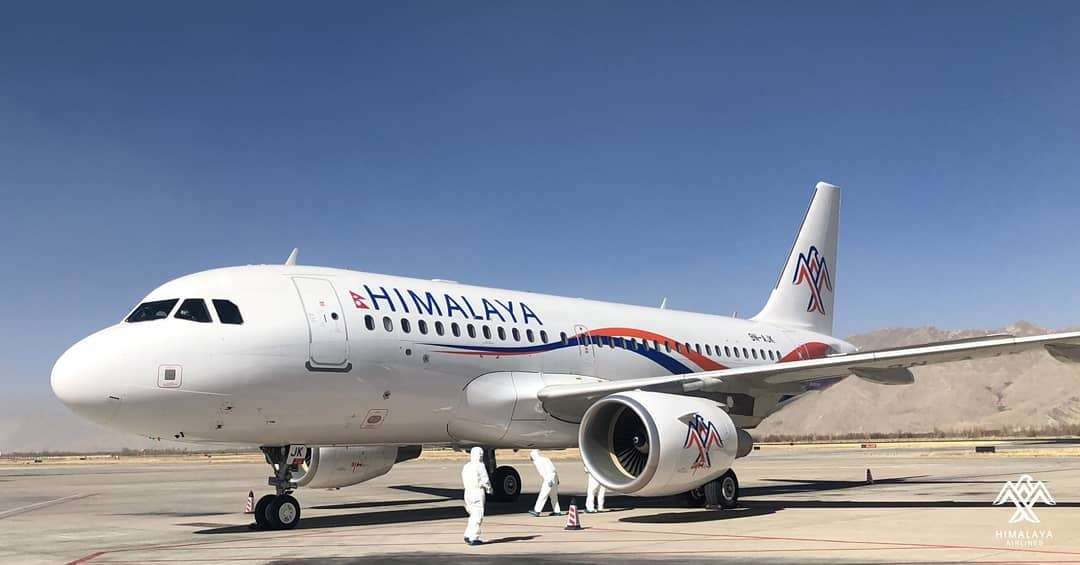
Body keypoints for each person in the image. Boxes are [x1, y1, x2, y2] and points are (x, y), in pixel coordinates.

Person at [461, 446, 492, 546]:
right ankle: (474, 537)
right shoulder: (480, 465)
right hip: (477, 492)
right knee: (478, 515)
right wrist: (489, 489)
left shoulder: (467, 466)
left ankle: (468, 534)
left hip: (467, 492)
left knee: (472, 515)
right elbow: (485, 479)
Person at [528, 449, 562, 516]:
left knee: (543, 495)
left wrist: (548, 480)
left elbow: (542, 472)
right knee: (554, 496)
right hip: (554, 477)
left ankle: (537, 511)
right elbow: (553, 469)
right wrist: (557, 479)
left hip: (548, 478)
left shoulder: (538, 461)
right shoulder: (546, 459)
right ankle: (557, 511)